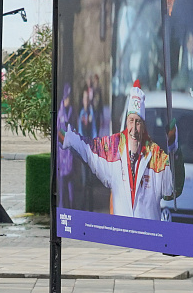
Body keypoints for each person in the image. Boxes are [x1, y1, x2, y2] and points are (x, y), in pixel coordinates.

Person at [59, 81, 177, 219]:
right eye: (131, 120)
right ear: (126, 121)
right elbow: (90, 148)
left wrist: (174, 150)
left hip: (148, 236)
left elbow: (171, 187)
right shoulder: (114, 147)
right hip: (121, 235)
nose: (134, 129)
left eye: (138, 122)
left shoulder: (155, 155)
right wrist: (68, 138)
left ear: (143, 125)